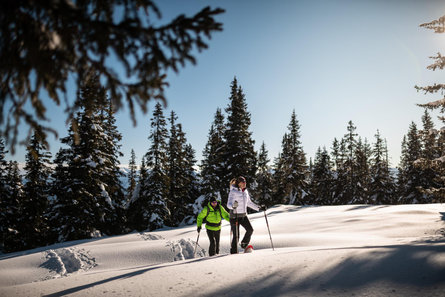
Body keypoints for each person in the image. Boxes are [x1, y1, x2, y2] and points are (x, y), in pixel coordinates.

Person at [227, 176, 265, 254]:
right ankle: (233, 251)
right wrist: (233, 206)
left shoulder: (245, 191)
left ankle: (244, 244)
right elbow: (228, 204)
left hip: (243, 216)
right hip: (235, 216)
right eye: (243, 182)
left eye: (245, 182)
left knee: (250, 230)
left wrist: (259, 208)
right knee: (236, 235)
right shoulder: (233, 191)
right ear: (238, 183)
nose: (244, 184)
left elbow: (249, 203)